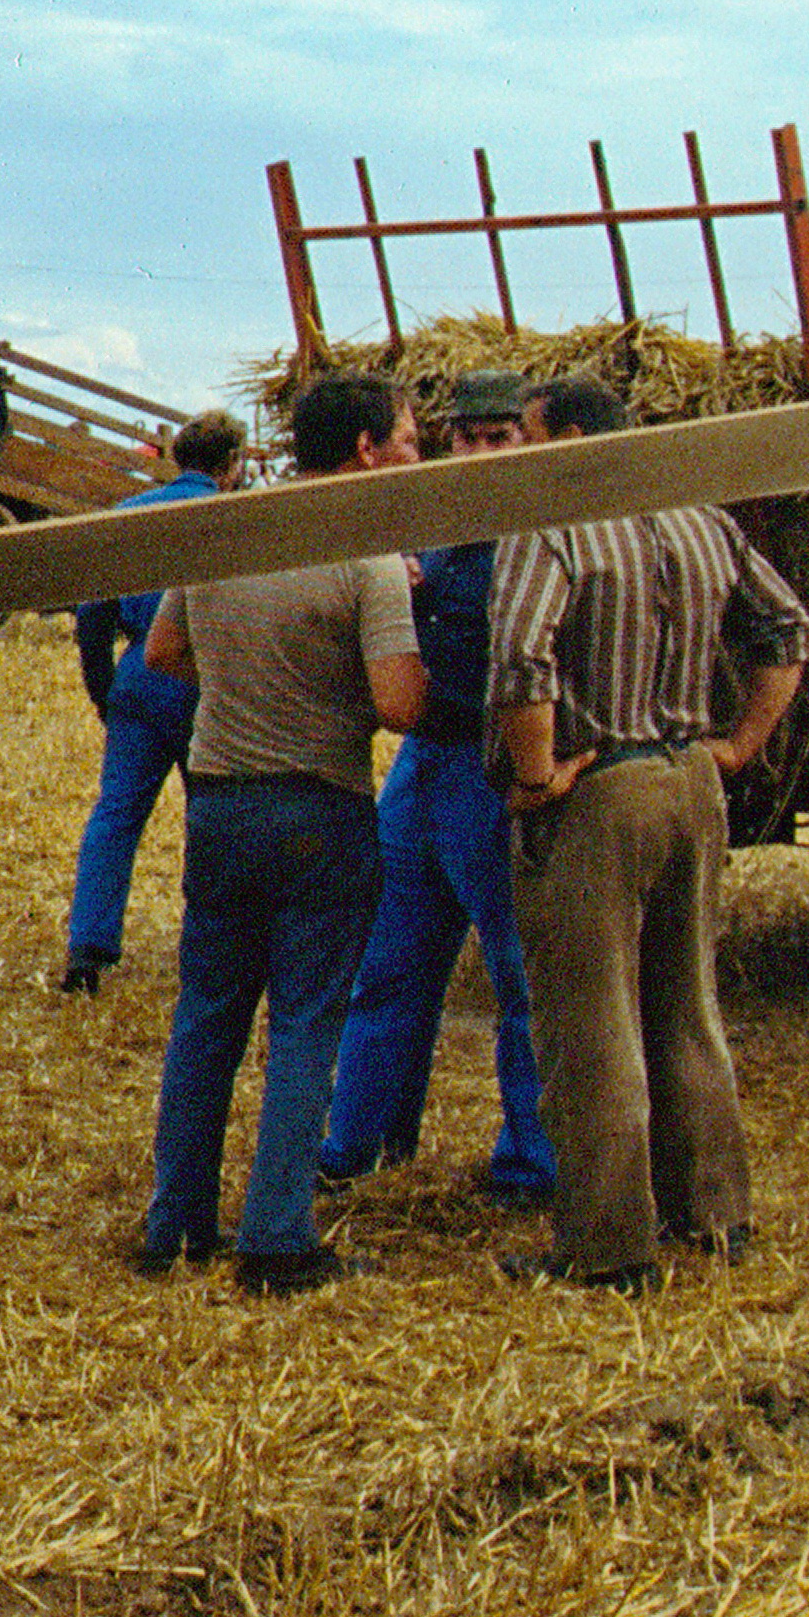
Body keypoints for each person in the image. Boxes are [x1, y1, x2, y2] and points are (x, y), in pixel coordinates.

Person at [486, 377, 809, 1292]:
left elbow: (519, 661)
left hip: (599, 791)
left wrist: (535, 774)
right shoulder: (699, 518)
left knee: (592, 1026)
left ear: (577, 437)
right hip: (690, 780)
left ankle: (606, 1247)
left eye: (528, 433)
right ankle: (715, 1215)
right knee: (688, 1008)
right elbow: (790, 628)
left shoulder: (549, 526)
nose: (519, 449)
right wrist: (740, 745)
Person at [134, 373, 426, 1292]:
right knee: (304, 1024)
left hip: (219, 802)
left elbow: (161, 653)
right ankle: (275, 1237)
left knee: (206, 1016)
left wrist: (249, 676)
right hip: (318, 807)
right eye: (410, 440)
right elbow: (397, 702)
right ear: (368, 450)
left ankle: (173, 1226)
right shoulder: (366, 554)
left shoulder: (226, 527)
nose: (417, 455)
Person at [315, 368, 555, 1207]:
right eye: (467, 438)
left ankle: (530, 1164)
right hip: (423, 763)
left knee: (518, 974)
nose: (481, 453)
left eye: (500, 439)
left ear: (529, 443)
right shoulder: (438, 526)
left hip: (490, 765)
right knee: (387, 959)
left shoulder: (542, 536)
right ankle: (360, 1139)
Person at [58, 410, 251, 992]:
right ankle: (214, 948)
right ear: (232, 464)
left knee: (116, 815)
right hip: (207, 677)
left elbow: (91, 619)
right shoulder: (234, 520)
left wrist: (104, 691)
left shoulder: (127, 517)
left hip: (139, 676)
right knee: (212, 816)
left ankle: (87, 950)